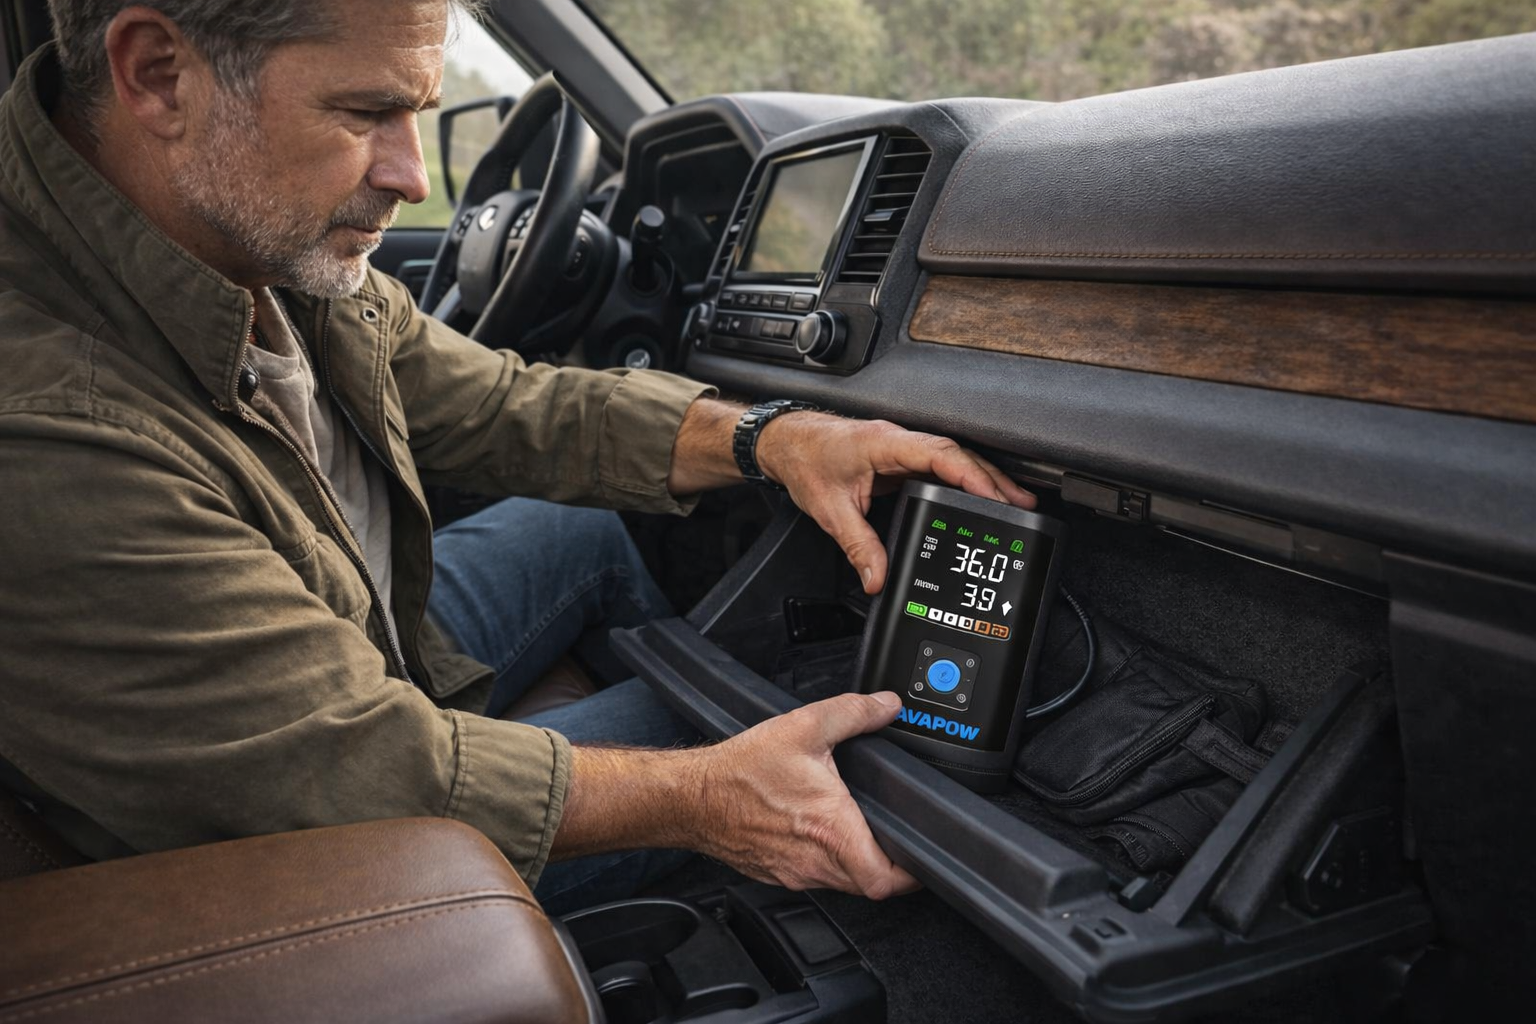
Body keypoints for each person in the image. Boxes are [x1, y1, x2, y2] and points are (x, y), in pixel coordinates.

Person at [0, 0, 1034, 912]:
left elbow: (495, 401)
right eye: (364, 115)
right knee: (782, 715)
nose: (410, 176)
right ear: (158, 74)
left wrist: (769, 434)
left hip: (354, 629)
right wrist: (713, 792)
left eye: (416, 113)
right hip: (281, 846)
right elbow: (356, 771)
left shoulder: (244, 232)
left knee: (585, 526)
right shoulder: (50, 430)